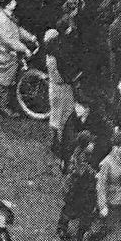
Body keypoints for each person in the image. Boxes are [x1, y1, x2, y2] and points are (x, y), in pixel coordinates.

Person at [0, 0, 38, 118]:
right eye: (12, 1)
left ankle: (9, 98)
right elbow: (8, 40)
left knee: (12, 74)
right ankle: (2, 106)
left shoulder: (8, 15)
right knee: (5, 79)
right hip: (4, 52)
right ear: (7, 5)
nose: (15, 3)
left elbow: (18, 30)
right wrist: (24, 48)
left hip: (11, 50)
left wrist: (31, 37)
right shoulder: (2, 19)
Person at [56, 131, 99, 241]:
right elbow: (83, 171)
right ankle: (63, 228)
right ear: (85, 145)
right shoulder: (80, 156)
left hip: (81, 188)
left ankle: (79, 232)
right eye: (91, 143)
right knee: (72, 208)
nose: (93, 145)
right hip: (76, 188)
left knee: (81, 210)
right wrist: (97, 175)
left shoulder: (84, 154)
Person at [45, 27, 80, 155]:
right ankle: (57, 144)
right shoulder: (55, 58)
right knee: (61, 116)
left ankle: (57, 142)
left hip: (57, 88)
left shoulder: (51, 56)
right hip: (60, 89)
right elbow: (61, 77)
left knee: (59, 115)